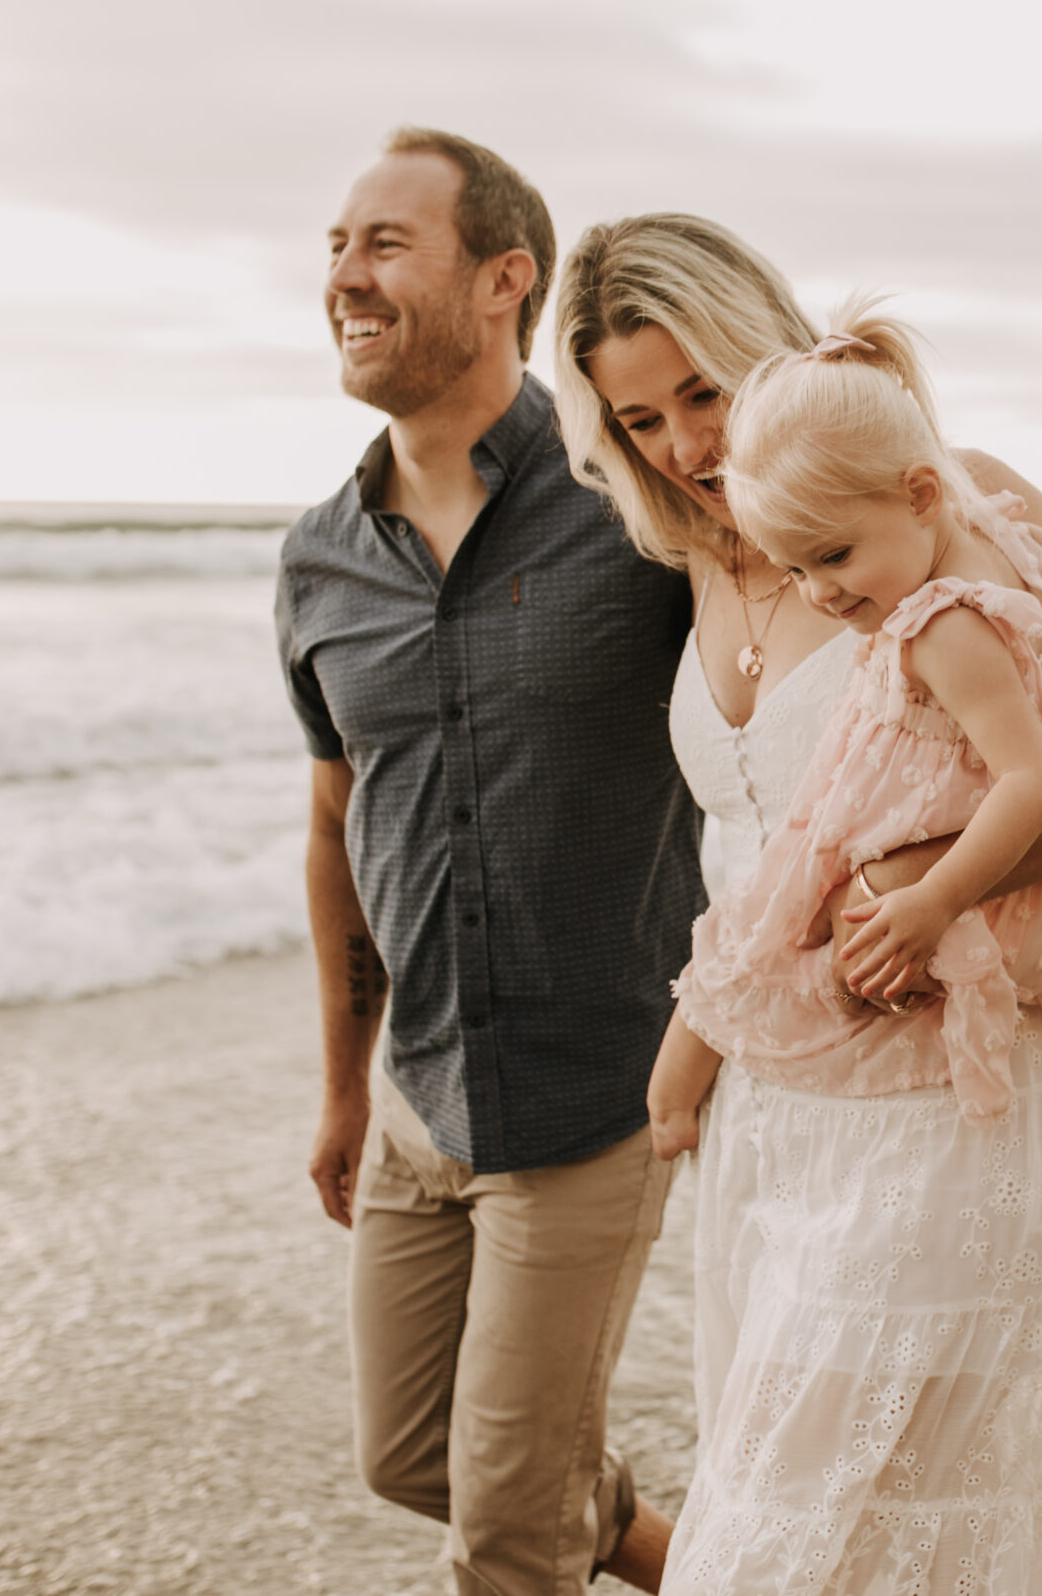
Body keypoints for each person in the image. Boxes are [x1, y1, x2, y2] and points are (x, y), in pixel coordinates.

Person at [553, 214, 1042, 1592]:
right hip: (781, 1113)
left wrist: (928, 878)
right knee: (834, 1521)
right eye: (640, 418)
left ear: (771, 347)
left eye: (703, 389)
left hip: (951, 1091)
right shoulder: (695, 564)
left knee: (796, 1539)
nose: (685, 442)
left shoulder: (949, 501)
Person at [275, 129, 693, 1594]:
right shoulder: (321, 556)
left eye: (385, 242)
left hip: (598, 1096)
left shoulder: (636, 503)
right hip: (419, 1101)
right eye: (336, 244)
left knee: (507, 1532)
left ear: (507, 277)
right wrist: (343, 1082)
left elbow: (807, 667)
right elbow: (340, 823)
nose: (344, 274)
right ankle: (727, 1563)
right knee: (412, 1453)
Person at [648, 301, 1042, 1166]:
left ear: (920, 493)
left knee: (776, 921)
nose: (818, 592)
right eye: (796, 567)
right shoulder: (1007, 539)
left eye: (836, 556)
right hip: (1038, 845)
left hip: (942, 819)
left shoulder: (939, 626)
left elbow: (1032, 782)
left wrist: (934, 898)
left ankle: (669, 1106)